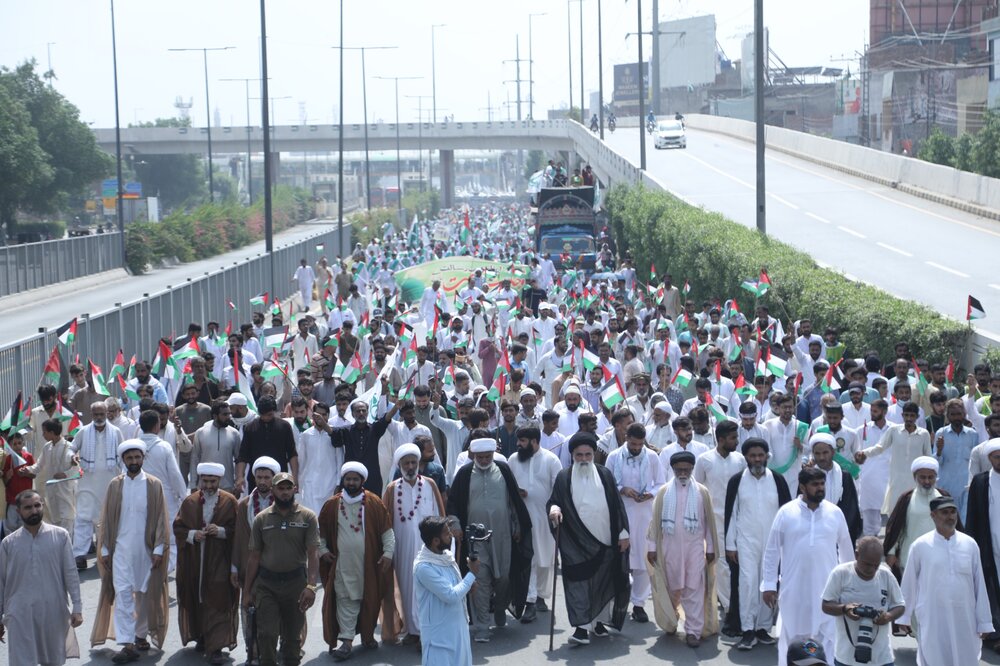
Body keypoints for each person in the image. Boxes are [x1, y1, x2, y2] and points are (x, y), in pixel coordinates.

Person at [762, 467, 854, 664]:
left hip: (827, 590)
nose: (820, 488)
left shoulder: (835, 513)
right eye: (815, 485)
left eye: (822, 484)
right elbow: (771, 551)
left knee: (828, 638)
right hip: (794, 589)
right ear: (802, 487)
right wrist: (769, 585)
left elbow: (846, 549)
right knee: (792, 638)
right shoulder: (786, 513)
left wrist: (849, 585)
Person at [91, 439, 171, 663]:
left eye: (137, 457)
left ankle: (140, 635)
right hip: (121, 552)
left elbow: (161, 520)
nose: (134, 461)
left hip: (146, 552)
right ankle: (126, 643)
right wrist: (105, 548)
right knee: (124, 594)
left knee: (145, 596)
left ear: (143, 458)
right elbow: (105, 518)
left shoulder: (154, 485)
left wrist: (158, 549)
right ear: (123, 460)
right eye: (129, 458)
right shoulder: (115, 485)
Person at [547, 431, 631, 645]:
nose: (583, 459)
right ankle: (581, 629)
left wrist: (623, 533)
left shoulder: (604, 474)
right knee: (578, 582)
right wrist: (555, 511)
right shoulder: (564, 476)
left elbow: (617, 506)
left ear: (593, 454)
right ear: (572, 455)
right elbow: (554, 501)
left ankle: (599, 622)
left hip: (605, 539)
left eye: (587, 455)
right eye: (579, 455)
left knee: (604, 580)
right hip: (576, 541)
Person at [446, 437, 533, 642]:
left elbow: (514, 502)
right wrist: (455, 525)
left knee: (503, 577)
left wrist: (518, 526)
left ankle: (501, 607)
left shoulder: (502, 470)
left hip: (503, 535)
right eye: (480, 457)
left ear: (493, 455)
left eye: (488, 456)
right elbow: (453, 504)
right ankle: (482, 626)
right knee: (480, 579)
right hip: (474, 538)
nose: (484, 460)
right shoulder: (465, 473)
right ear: (473, 456)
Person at [898, 496, 995, 665]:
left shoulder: (969, 544)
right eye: (945, 513)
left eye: (953, 512)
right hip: (933, 616)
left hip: (965, 617)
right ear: (933, 515)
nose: (950, 517)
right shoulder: (920, 546)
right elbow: (909, 584)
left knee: (965, 658)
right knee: (935, 658)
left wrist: (984, 621)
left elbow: (979, 584)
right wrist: (904, 616)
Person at [318, 462, 394, 660]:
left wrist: (388, 553)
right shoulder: (332, 504)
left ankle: (368, 636)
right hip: (342, 564)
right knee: (345, 599)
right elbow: (321, 535)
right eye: (348, 479)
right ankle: (346, 642)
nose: (351, 483)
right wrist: (323, 550)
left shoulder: (374, 502)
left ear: (362, 481)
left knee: (370, 600)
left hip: (369, 564)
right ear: (343, 480)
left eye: (355, 479)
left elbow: (387, 532)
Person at [242, 471, 320, 666]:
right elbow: (254, 557)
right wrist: (247, 591)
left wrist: (311, 586)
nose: (285, 492)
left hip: (295, 585)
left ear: (294, 489)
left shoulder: (308, 517)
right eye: (280, 488)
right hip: (267, 585)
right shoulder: (262, 519)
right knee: (266, 635)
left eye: (288, 488)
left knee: (292, 640)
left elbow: (313, 553)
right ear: (273, 490)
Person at [0, 489, 83, 666]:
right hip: (19, 614)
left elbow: (70, 573)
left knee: (52, 660)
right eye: (28, 507)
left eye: (37, 505)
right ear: (18, 511)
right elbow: (1, 582)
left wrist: (77, 607)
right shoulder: (8, 543)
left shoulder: (60, 536)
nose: (34, 511)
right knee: (21, 661)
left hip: (52, 610)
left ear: (43, 506)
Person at [724, 438, 792, 650]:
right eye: (753, 456)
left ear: (766, 456)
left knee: (769, 582)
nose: (757, 459)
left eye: (760, 455)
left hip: (773, 542)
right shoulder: (737, 481)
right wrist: (730, 545)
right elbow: (731, 514)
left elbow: (787, 513)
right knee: (747, 583)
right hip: (745, 541)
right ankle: (747, 629)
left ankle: (763, 628)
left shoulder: (778, 480)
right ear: (746, 457)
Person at [646, 450, 719, 647]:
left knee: (693, 588)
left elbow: (709, 524)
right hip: (669, 549)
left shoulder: (702, 492)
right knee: (671, 587)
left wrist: (710, 547)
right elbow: (655, 523)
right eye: (679, 470)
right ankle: (670, 620)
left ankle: (694, 631)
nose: (683, 473)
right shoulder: (663, 492)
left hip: (695, 549)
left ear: (692, 469)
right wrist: (652, 547)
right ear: (673, 469)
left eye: (687, 469)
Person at [173, 463, 238, 664]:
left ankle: (216, 646)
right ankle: (202, 635)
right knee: (197, 596)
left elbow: (238, 530)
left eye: (213, 481)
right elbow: (179, 527)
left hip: (220, 560)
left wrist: (219, 531)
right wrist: (193, 534)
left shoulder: (230, 502)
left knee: (218, 597)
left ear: (220, 481)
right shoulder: (190, 502)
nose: (209, 485)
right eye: (205, 481)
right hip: (195, 559)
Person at [381, 444, 445, 643]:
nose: (410, 466)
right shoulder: (392, 489)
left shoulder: (430, 484)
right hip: (403, 549)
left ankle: (426, 631)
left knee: (427, 588)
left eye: (413, 462)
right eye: (406, 463)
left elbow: (441, 516)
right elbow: (385, 522)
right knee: (407, 589)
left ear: (419, 464)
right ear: (399, 465)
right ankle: (412, 629)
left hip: (428, 550)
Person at [606, 422, 665, 623]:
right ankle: (617, 602)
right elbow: (607, 483)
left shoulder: (652, 457)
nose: (637, 448)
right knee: (620, 558)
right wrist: (623, 489)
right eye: (633, 444)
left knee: (643, 558)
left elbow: (660, 483)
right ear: (626, 438)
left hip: (644, 514)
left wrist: (651, 493)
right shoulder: (614, 457)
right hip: (621, 513)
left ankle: (639, 604)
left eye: (640, 444)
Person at [506, 425, 562, 623]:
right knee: (528, 559)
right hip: (521, 520)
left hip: (544, 518)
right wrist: (516, 493)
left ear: (535, 441)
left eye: (523, 441)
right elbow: (507, 484)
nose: (519, 444)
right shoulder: (513, 459)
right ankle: (529, 602)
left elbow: (559, 489)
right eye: (518, 440)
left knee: (544, 560)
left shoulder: (551, 460)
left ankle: (540, 596)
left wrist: (556, 510)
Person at [821, 536, 905, 666]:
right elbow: (826, 605)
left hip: (881, 658)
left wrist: (888, 616)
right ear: (856, 555)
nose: (871, 569)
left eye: (876, 565)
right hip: (846, 658)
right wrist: (845, 609)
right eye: (867, 564)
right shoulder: (841, 573)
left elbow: (900, 605)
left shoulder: (886, 575)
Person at [693, 419, 745, 622]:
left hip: (739, 519)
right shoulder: (704, 460)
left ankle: (738, 599)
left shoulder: (740, 460)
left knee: (739, 561)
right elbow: (696, 489)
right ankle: (729, 603)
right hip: (715, 519)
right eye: (733, 438)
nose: (736, 441)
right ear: (721, 439)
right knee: (722, 562)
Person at [413, 515, 477, 666]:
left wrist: (467, 584)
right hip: (439, 640)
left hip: (458, 632)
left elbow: (456, 586)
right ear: (435, 541)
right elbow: (450, 595)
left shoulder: (446, 557)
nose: (451, 535)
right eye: (447, 533)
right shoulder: (423, 568)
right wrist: (471, 574)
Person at [881, 456, 952, 585]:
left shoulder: (943, 497)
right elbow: (897, 528)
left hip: (939, 557)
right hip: (909, 558)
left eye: (931, 477)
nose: (927, 481)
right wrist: (891, 553)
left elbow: (953, 527)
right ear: (915, 477)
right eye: (922, 477)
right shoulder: (906, 498)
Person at [71, 401, 125, 569]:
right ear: (91, 414)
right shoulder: (83, 432)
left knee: (108, 519)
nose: (100, 418)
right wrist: (72, 456)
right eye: (96, 415)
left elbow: (123, 454)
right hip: (87, 482)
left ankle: (106, 552)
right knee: (83, 518)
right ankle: (79, 554)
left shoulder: (116, 432)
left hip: (110, 483)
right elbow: (71, 448)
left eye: (102, 414)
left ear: (107, 413)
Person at [964, 440, 1000, 650]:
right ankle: (994, 633)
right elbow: (973, 516)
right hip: (989, 545)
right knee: (991, 589)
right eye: (996, 457)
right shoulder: (980, 482)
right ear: (989, 459)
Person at [22, 418, 77, 534]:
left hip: (65, 490)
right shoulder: (47, 447)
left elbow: (77, 469)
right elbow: (38, 465)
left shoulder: (70, 447)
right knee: (55, 521)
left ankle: (67, 549)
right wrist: (27, 469)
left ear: (52, 433)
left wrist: (64, 474)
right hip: (51, 490)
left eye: (44, 432)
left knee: (67, 520)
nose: (43, 435)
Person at [235, 396, 299, 494]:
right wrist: (240, 477)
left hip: (280, 478)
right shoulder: (250, 428)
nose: (265, 418)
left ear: (274, 411)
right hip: (256, 479)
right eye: (263, 415)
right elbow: (242, 456)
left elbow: (292, 454)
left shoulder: (284, 427)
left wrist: (294, 478)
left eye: (269, 415)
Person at [808, 432, 863, 544]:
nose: (821, 457)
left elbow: (851, 508)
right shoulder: (807, 478)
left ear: (833, 452)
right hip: (815, 533)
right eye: (817, 454)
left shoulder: (845, 476)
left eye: (825, 452)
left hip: (841, 532)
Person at [296, 401, 343, 514]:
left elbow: (339, 461)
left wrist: (338, 484)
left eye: (324, 414)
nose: (321, 417)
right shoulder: (306, 435)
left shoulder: (334, 434)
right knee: (311, 517)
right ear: (313, 416)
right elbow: (301, 462)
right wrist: (299, 484)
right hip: (310, 485)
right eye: (318, 414)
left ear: (328, 416)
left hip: (329, 485)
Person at [189, 398, 242, 494]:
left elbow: (239, 460)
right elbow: (194, 459)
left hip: (227, 487)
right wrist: (193, 484)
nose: (229, 417)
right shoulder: (201, 432)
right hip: (204, 486)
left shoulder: (234, 434)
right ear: (215, 416)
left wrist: (238, 482)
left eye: (229, 414)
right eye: (225, 414)